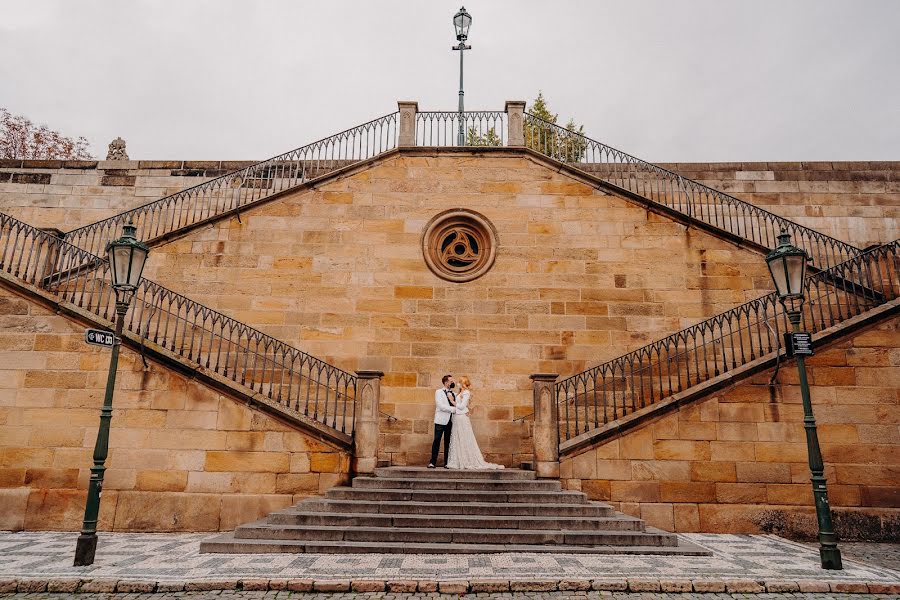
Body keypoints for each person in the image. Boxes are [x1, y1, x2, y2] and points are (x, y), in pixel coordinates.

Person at [446, 376, 504, 470]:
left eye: (459, 382)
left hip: (462, 417)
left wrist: (452, 401)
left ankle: (467, 461)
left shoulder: (466, 393)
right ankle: (457, 460)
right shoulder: (459, 393)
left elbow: (461, 406)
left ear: (463, 383)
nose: (458, 384)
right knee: (458, 438)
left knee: (464, 438)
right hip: (457, 417)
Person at [428, 374, 456, 468]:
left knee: (448, 442)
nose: (453, 383)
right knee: (436, 440)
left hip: (450, 421)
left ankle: (447, 463)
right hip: (440, 420)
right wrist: (453, 409)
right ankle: (432, 462)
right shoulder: (439, 392)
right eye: (451, 381)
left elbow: (458, 405)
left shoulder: (454, 394)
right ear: (446, 382)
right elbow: (440, 406)